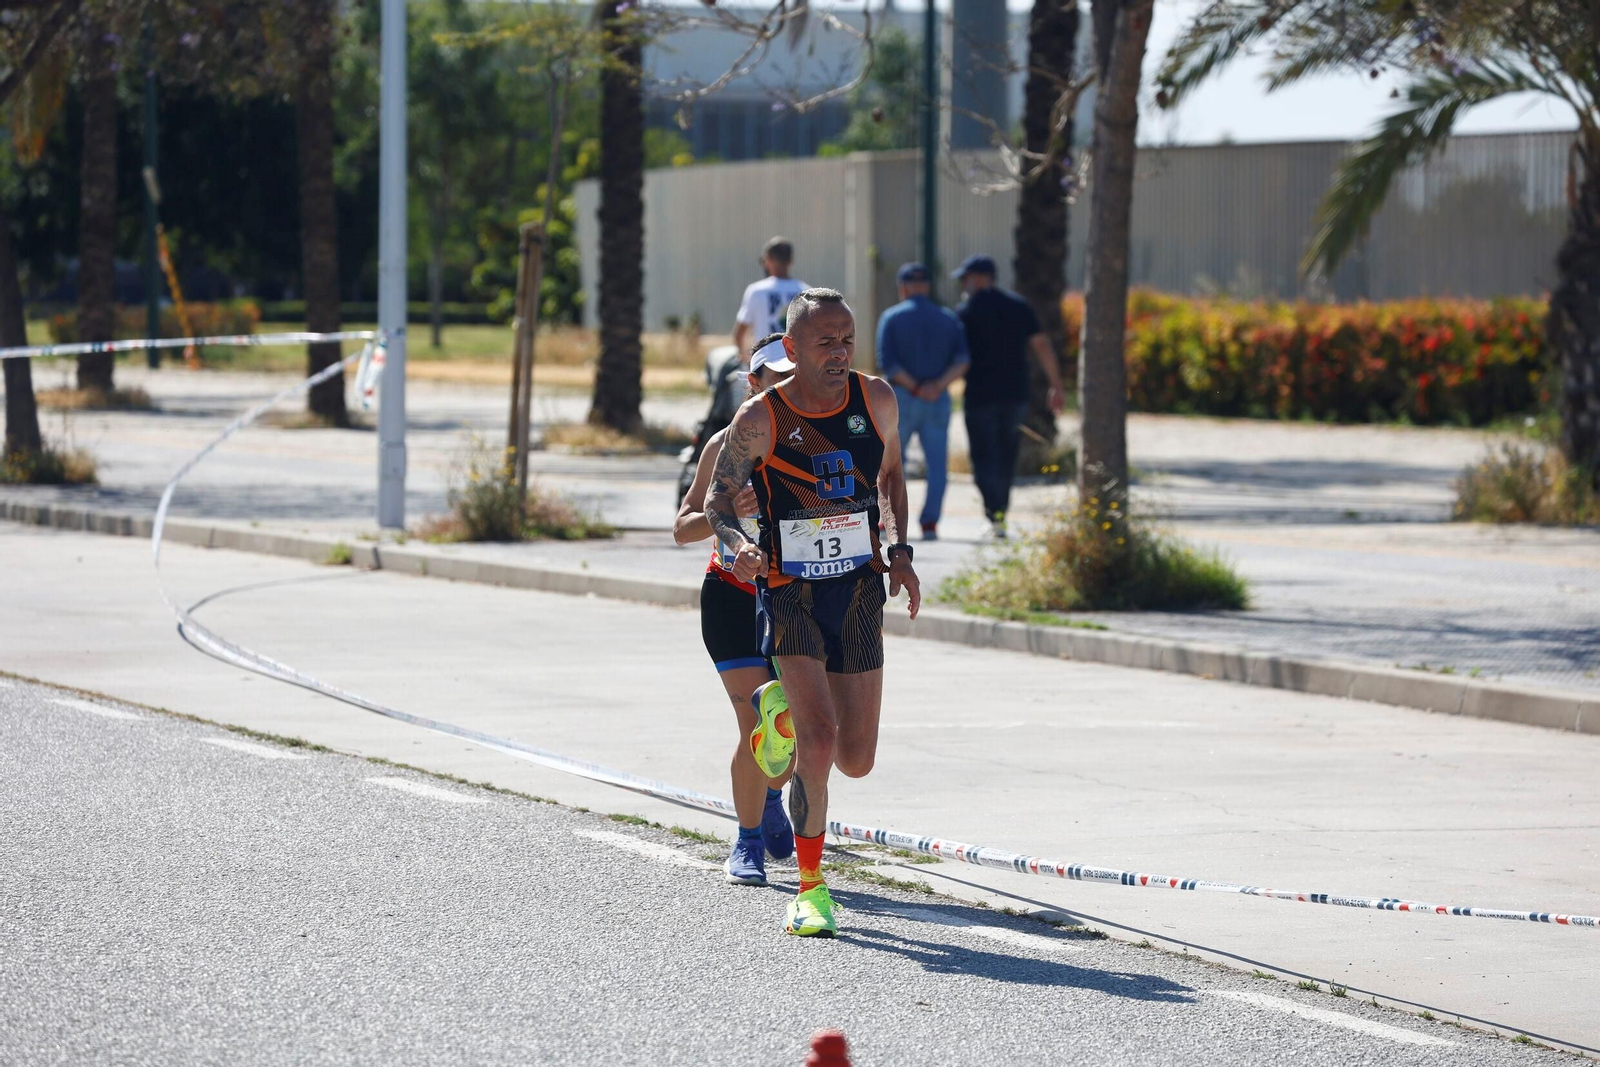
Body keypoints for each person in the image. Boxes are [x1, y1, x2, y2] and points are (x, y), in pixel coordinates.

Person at [705, 288, 922, 938]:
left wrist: (902, 553)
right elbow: (718, 501)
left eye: (847, 338)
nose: (839, 352)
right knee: (819, 743)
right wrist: (739, 544)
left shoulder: (876, 399)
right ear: (792, 348)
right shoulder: (760, 417)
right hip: (788, 587)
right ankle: (810, 887)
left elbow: (892, 479)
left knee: (856, 758)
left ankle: (778, 713)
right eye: (825, 341)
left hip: (857, 586)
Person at [674, 334, 798, 886]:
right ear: (754, 386)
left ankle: (772, 795)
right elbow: (683, 528)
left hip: (796, 598)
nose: (788, 391)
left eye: (798, 378)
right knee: (758, 721)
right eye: (777, 381)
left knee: (790, 730)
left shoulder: (820, 441)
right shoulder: (724, 444)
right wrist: (726, 507)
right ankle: (747, 841)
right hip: (732, 599)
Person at [952, 254, 1066, 539]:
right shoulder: (1018, 306)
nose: (964, 285)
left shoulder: (966, 311)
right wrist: (1057, 385)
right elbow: (1041, 345)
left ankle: (993, 515)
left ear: (980, 278)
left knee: (983, 457)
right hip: (1016, 395)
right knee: (1006, 455)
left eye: (966, 278)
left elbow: (954, 357)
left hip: (979, 395)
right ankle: (999, 514)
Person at [874, 263, 969, 541]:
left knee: (891, 465)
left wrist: (914, 386)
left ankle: (888, 520)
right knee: (937, 464)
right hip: (937, 398)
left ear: (902, 287)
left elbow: (887, 364)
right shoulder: (947, 318)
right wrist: (936, 386)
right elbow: (962, 360)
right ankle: (930, 523)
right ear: (927, 286)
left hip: (901, 399)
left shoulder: (891, 317)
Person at [732, 237, 808, 357]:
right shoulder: (805, 291)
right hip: (796, 362)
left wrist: (744, 357)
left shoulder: (756, 291)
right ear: (790, 261)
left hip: (766, 363)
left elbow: (739, 333)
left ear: (768, 260)